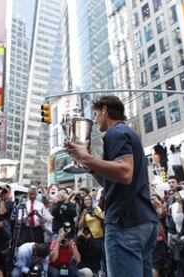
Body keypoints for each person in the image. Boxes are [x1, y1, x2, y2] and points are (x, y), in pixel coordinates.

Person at [65, 95, 158, 277]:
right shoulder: (126, 133)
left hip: (125, 223)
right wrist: (91, 165)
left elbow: (124, 172)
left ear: (105, 110)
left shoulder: (115, 133)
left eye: (96, 113)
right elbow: (112, 182)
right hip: (143, 222)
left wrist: (85, 157)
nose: (95, 118)